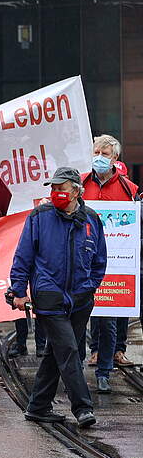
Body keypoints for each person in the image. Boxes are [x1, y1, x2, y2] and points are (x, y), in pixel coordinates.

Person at [10, 167, 105, 428]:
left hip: (81, 298)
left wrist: (90, 286)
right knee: (70, 349)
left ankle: (38, 406)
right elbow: (24, 255)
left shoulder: (91, 219)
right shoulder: (40, 216)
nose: (55, 193)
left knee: (57, 352)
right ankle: (83, 407)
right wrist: (18, 290)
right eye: (53, 189)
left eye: (60, 188)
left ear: (75, 190)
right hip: (49, 294)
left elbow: (99, 259)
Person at [82, 135, 138, 379]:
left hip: (120, 255)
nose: (99, 158)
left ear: (115, 158)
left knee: (122, 300)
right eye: (96, 152)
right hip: (89, 254)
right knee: (96, 302)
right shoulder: (83, 183)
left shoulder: (129, 188)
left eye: (104, 154)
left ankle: (119, 350)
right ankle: (96, 350)